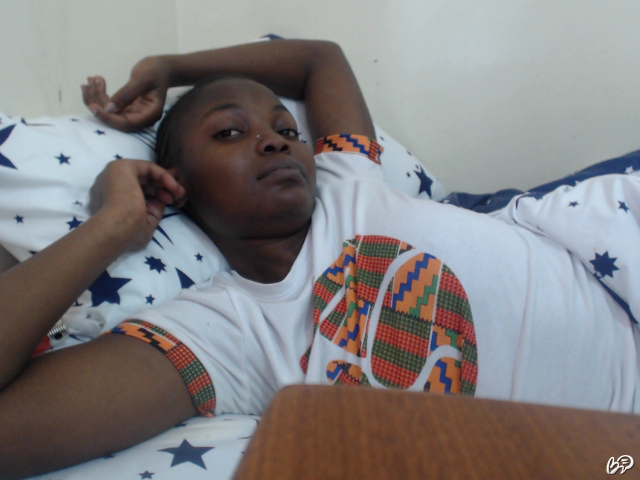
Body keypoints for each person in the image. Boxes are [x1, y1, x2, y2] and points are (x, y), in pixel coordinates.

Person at [0, 38, 638, 478]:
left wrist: (170, 64)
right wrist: (110, 227)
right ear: (175, 184)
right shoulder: (221, 333)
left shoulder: (346, 177)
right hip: (614, 454)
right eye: (230, 132)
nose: (275, 142)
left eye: (286, 130)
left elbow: (318, 60)